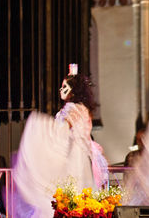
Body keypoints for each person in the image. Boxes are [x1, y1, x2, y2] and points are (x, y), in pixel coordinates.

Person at [13, 64, 108, 217]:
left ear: (73, 90)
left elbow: (63, 130)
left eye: (64, 86)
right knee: (78, 200)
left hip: (73, 159)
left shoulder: (72, 108)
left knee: (69, 198)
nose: (60, 89)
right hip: (81, 158)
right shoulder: (82, 108)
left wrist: (39, 128)